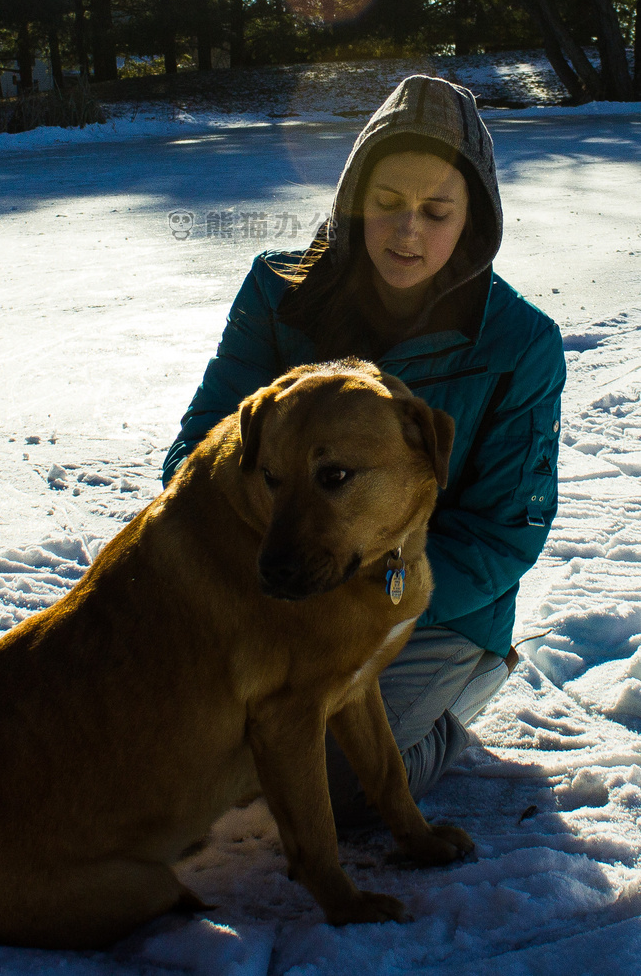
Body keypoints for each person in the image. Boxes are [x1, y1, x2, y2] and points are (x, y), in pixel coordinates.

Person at [162, 75, 566, 821]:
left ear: (473, 218)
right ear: (353, 202)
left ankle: (469, 689)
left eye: (437, 211)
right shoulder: (278, 293)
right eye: (386, 204)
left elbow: (507, 531)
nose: (407, 231)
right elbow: (198, 453)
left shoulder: (521, 344)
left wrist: (359, 591)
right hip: (274, 581)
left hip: (434, 608)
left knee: (331, 786)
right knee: (183, 748)